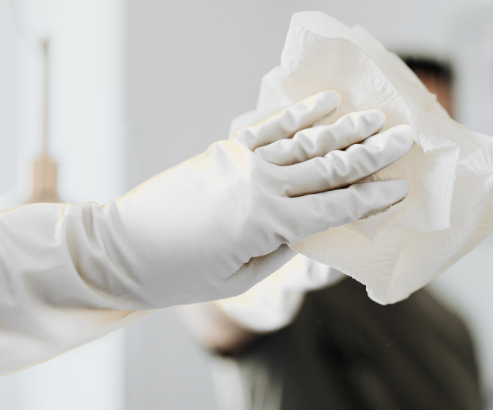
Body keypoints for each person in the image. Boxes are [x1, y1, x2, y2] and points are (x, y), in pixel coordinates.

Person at [0, 90, 412, 375]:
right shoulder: (307, 257)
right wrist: (124, 246)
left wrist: (117, 250)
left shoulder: (437, 317)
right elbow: (218, 327)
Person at [180, 56, 485, 410]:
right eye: (407, 134)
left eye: (443, 138)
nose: (425, 157)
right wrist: (248, 275)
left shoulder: (453, 329)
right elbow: (217, 319)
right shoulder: (300, 286)